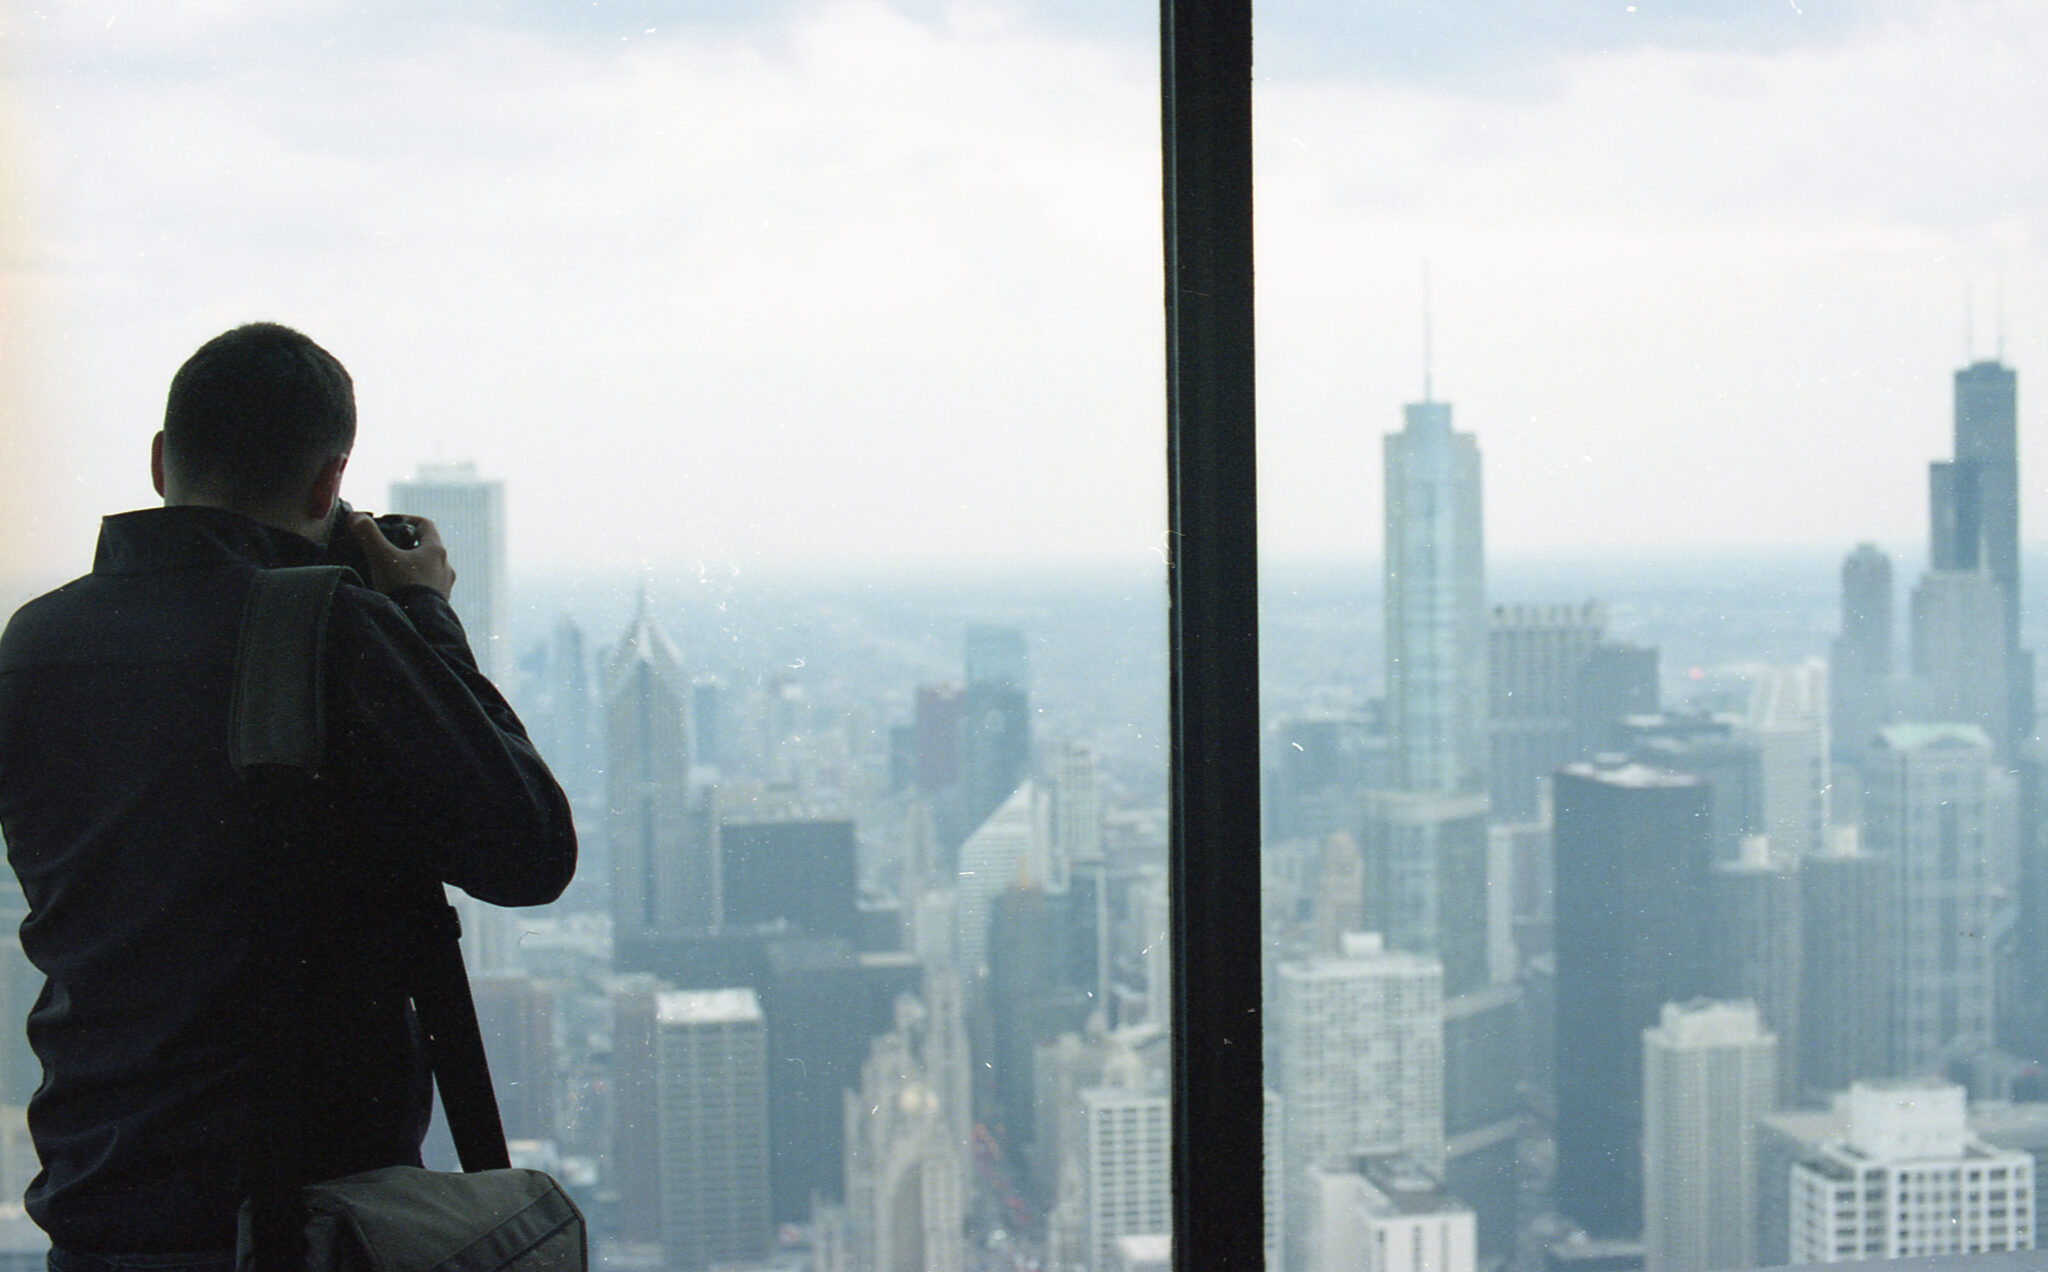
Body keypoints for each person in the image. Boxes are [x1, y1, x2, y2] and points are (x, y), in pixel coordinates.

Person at [0, 323, 576, 1264]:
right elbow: (532, 850)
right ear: (327, 484)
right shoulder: (326, 628)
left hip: (97, 1205)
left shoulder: (32, 644)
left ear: (159, 463)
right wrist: (422, 611)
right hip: (292, 1222)